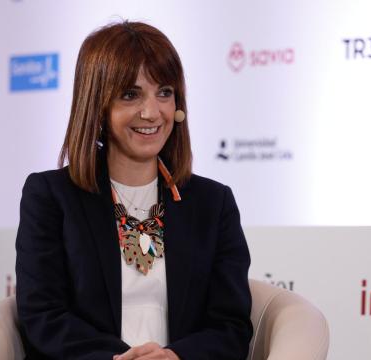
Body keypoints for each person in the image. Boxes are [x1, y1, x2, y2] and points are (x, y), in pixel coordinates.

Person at [16, 21, 252, 359]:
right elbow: (44, 316)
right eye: (130, 94)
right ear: (97, 103)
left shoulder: (214, 203)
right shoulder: (51, 196)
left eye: (164, 93)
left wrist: (175, 357)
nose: (151, 112)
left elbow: (231, 326)